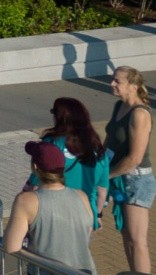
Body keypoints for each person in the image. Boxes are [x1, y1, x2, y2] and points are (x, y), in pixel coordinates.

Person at [4, 140, 100, 275]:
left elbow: (11, 246)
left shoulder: (27, 201)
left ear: (35, 167)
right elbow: (86, 235)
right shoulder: (81, 196)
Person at [104, 66, 155, 275]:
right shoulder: (119, 106)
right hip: (119, 177)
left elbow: (134, 158)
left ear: (133, 86)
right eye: (113, 79)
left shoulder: (140, 114)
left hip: (136, 181)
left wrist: (105, 176)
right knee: (127, 236)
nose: (112, 84)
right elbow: (109, 142)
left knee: (137, 240)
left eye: (118, 81)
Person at [28, 97, 109, 227]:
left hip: (55, 214)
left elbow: (35, 185)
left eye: (53, 112)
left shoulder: (52, 144)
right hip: (86, 214)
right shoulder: (98, 148)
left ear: (60, 118)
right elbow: (102, 191)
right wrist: (97, 215)